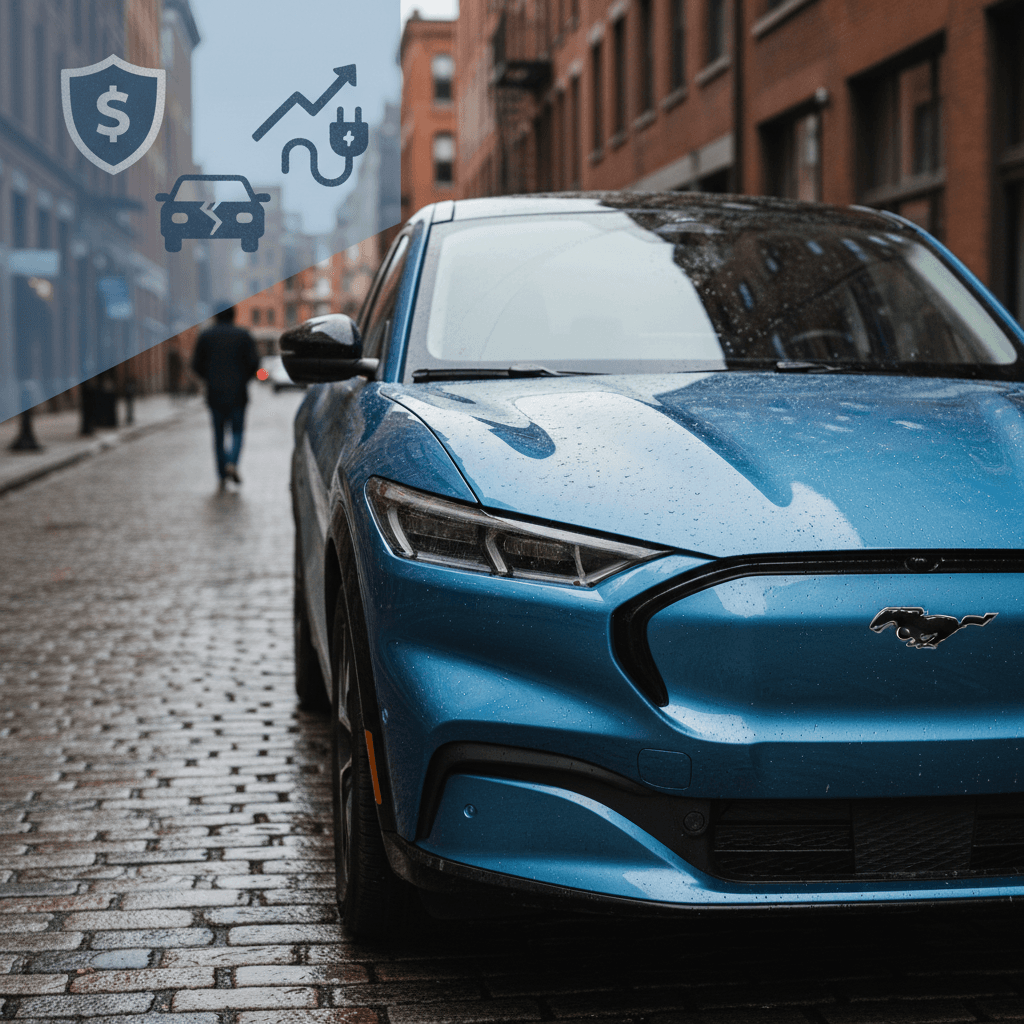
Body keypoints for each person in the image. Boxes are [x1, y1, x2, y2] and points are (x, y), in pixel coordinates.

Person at [190, 305, 260, 487]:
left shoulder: (206, 336)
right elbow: (254, 363)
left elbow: (196, 364)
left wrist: (210, 378)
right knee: (237, 432)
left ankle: (222, 473)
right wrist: (243, 379)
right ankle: (232, 462)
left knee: (219, 435)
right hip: (238, 394)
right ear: (233, 315)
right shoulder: (243, 335)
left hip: (215, 394)